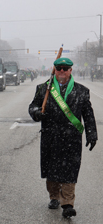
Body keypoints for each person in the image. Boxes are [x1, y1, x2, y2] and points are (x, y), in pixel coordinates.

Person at [28, 57, 97, 219]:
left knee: (70, 171)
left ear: (70, 71)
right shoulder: (43, 89)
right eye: (59, 68)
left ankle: (67, 204)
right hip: (50, 136)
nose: (62, 71)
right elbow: (33, 106)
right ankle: (54, 196)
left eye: (65, 69)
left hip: (71, 138)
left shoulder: (82, 91)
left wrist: (92, 133)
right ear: (55, 70)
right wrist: (37, 112)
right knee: (52, 170)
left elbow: (88, 115)